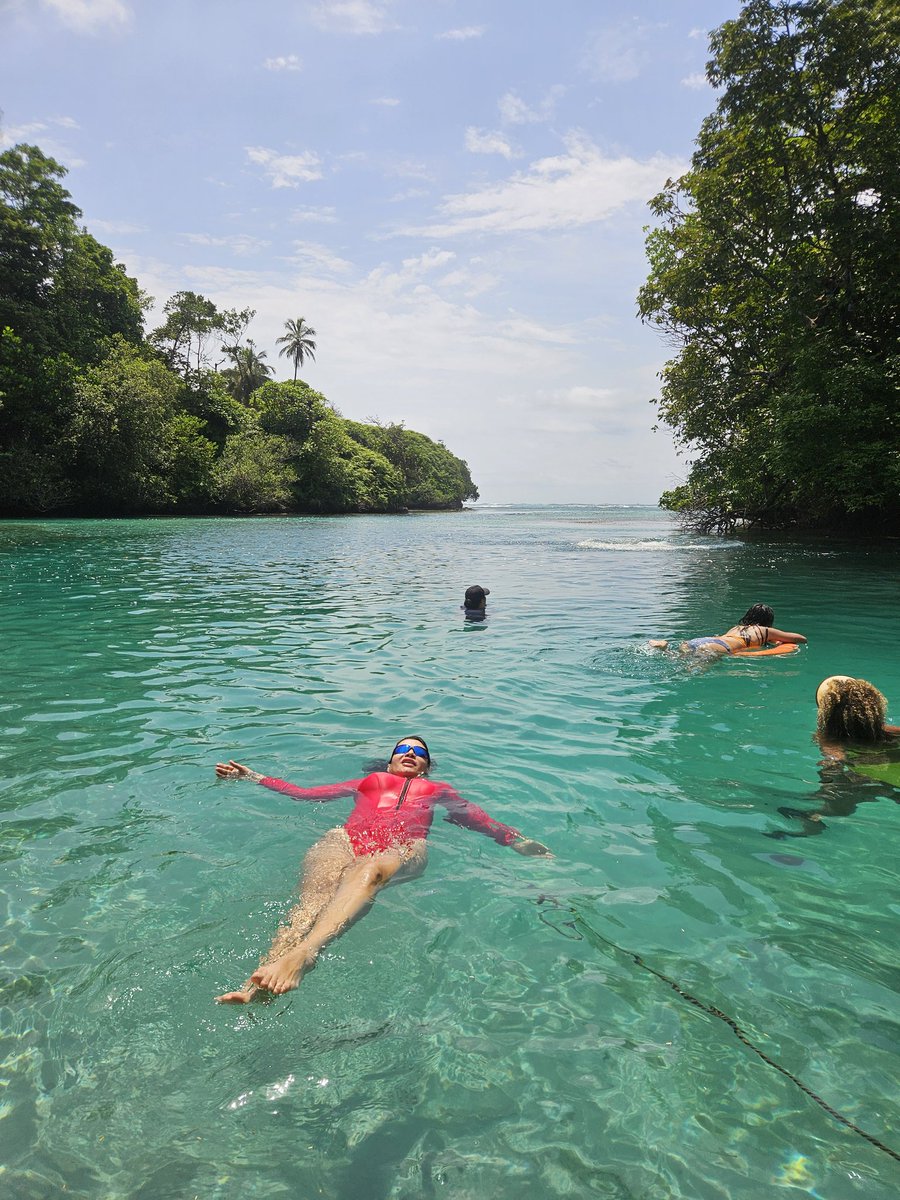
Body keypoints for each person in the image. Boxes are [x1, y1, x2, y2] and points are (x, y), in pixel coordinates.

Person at [214, 735, 551, 1002]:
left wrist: (515, 840)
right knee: (308, 907)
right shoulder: (370, 781)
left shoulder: (438, 790)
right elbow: (305, 794)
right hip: (345, 841)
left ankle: (306, 953)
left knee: (370, 871)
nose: (409, 753)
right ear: (390, 760)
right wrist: (253, 776)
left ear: (426, 766)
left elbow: (474, 817)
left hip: (403, 847)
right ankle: (255, 984)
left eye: (419, 752)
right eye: (402, 748)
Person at [769, 677, 900, 838]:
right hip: (891, 777)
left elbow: (833, 763)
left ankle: (815, 818)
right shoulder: (891, 732)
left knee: (843, 791)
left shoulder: (829, 739)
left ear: (827, 714)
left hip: (868, 780)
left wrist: (825, 790)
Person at [650, 603, 807, 658]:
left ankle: (665, 648)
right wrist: (776, 638)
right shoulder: (765, 630)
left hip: (701, 640)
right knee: (692, 672)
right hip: (716, 647)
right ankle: (664, 649)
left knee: (680, 659)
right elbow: (800, 638)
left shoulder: (736, 628)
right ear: (768, 621)